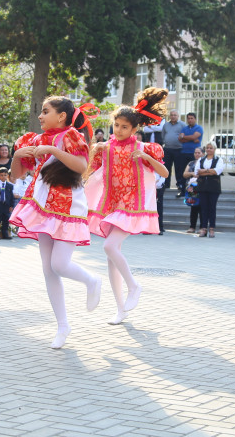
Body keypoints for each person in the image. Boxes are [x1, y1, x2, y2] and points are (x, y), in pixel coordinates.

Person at [10, 96, 102, 349]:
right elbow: (16, 174)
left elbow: (81, 165)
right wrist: (17, 155)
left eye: (45, 111)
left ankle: (92, 281)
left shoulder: (71, 136)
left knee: (60, 264)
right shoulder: (35, 140)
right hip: (41, 205)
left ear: (61, 116)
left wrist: (52, 151)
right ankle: (62, 325)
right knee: (48, 269)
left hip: (68, 205)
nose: (40, 116)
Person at [85, 88, 169, 325]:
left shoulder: (142, 148)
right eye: (116, 125)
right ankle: (121, 309)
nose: (119, 130)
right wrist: (94, 150)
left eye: (124, 127)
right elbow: (90, 170)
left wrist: (147, 159)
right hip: (112, 205)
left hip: (131, 206)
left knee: (110, 247)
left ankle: (134, 286)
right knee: (111, 257)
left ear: (134, 129)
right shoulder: (106, 147)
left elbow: (164, 172)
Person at [194, 142, 224, 238]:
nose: (209, 149)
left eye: (211, 148)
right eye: (207, 147)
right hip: (202, 187)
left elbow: (217, 171)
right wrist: (210, 171)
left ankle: (212, 228)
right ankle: (203, 228)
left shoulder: (218, 159)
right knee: (203, 208)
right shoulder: (201, 159)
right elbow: (197, 172)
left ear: (214, 149)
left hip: (214, 187)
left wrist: (205, 171)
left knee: (212, 208)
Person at [178, 113, 203, 196]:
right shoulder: (184, 128)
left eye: (192, 118)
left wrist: (185, 137)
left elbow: (192, 137)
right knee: (183, 172)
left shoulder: (199, 128)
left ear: (195, 119)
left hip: (194, 153)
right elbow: (180, 139)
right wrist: (192, 138)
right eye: (188, 118)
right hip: (184, 152)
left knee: (194, 171)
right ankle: (182, 190)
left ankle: (194, 190)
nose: (190, 120)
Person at [160, 110, 186, 191]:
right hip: (167, 149)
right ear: (169, 116)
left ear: (178, 116)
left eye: (175, 115)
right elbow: (163, 135)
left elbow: (185, 135)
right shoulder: (166, 125)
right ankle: (166, 184)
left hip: (179, 149)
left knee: (178, 167)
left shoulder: (182, 124)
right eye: (171, 115)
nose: (173, 116)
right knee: (166, 167)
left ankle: (179, 184)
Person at [0, 168, 16, 240]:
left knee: (6, 220)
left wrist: (11, 205)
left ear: (7, 175)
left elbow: (11, 196)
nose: (3, 177)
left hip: (6, 205)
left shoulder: (10, 186)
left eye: (5, 175)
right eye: (1, 175)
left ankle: (5, 234)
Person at [182, 146, 202, 234]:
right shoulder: (191, 163)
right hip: (192, 189)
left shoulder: (204, 162)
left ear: (203, 154)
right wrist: (192, 173)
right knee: (193, 207)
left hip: (201, 187)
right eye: (195, 153)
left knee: (202, 208)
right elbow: (185, 174)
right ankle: (192, 226)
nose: (197, 154)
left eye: (199, 153)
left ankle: (202, 227)